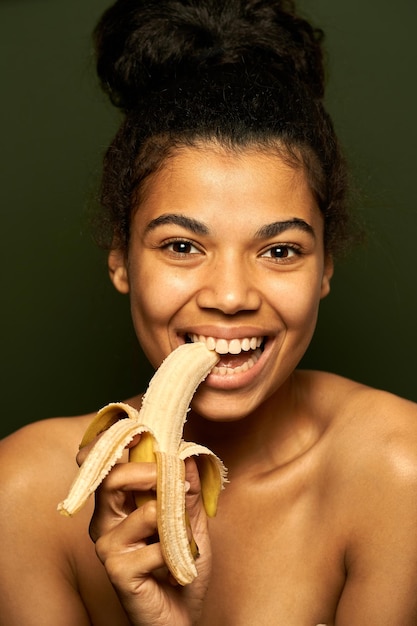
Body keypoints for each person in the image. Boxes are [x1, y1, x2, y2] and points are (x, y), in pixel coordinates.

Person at [1, 1, 417, 624]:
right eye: (181, 246)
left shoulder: (397, 472)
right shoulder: (22, 495)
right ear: (121, 260)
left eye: (279, 250)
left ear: (325, 266)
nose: (229, 295)